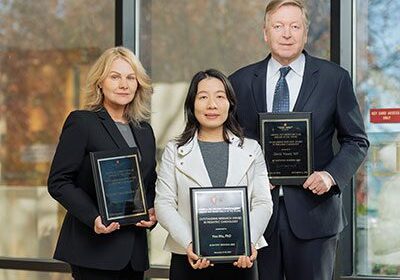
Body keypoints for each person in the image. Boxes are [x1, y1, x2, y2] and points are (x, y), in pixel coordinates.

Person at [229, 1, 369, 279]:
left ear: (305, 32)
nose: (287, 34)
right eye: (278, 26)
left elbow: (356, 140)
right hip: (257, 217)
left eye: (295, 26)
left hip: (315, 218)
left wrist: (330, 176)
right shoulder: (239, 81)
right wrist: (248, 177)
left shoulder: (334, 79)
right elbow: (229, 143)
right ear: (265, 33)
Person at [48, 46, 157, 280]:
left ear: (138, 84)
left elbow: (149, 182)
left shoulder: (144, 130)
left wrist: (151, 209)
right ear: (100, 82)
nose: (123, 84)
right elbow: (59, 181)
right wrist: (94, 217)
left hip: (134, 254)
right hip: (93, 250)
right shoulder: (82, 122)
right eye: (115, 77)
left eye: (130, 77)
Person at [155, 69, 273, 280]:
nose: (212, 105)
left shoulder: (251, 149)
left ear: (230, 104)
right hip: (188, 257)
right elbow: (163, 204)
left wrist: (249, 241)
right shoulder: (174, 150)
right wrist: (191, 242)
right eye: (203, 97)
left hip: (241, 259)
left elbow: (263, 202)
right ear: (192, 104)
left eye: (220, 96)